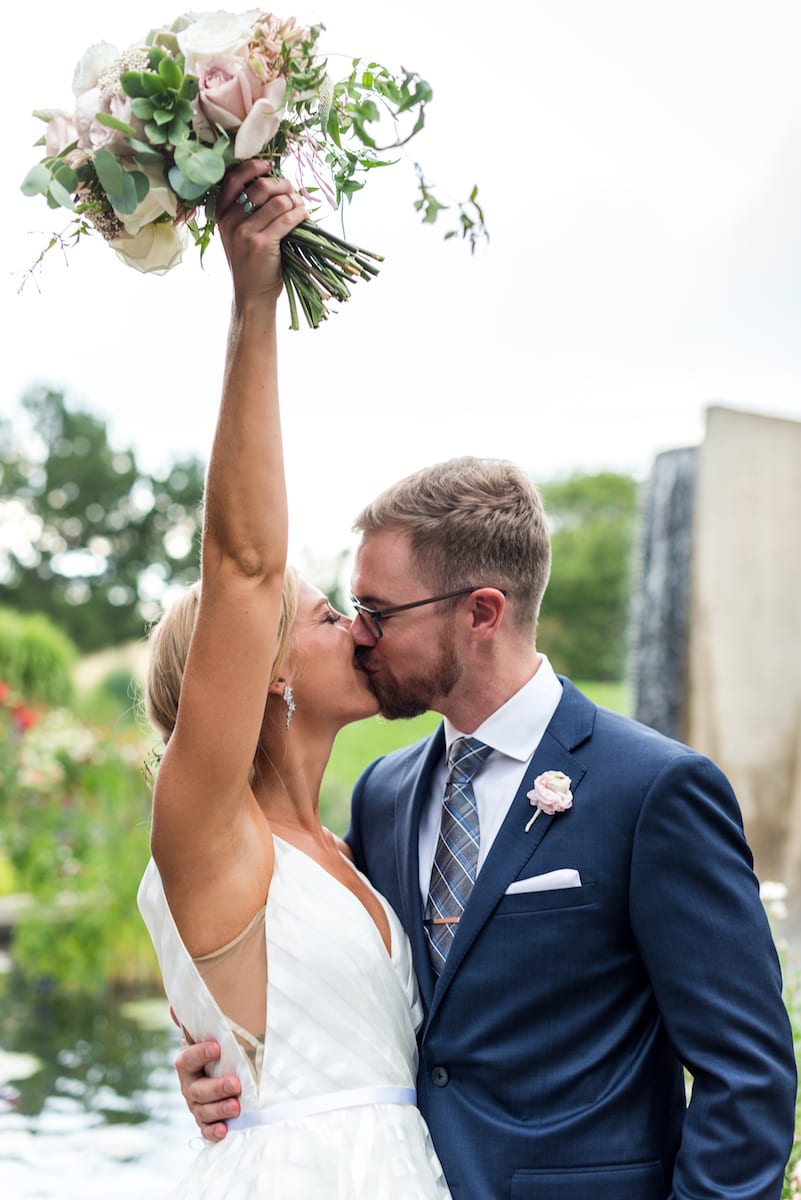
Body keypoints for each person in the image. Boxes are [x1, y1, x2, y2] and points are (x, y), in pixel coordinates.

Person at [177, 455, 798, 1199]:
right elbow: (346, 984)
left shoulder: (654, 791)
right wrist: (231, 1066)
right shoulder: (384, 794)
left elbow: (748, 1075)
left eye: (379, 611)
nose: (361, 635)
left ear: (481, 614)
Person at [137, 159, 451, 1199]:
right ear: (264, 666)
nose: (359, 629)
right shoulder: (210, 835)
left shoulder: (356, 843)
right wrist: (254, 298)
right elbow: (243, 564)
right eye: (326, 617)